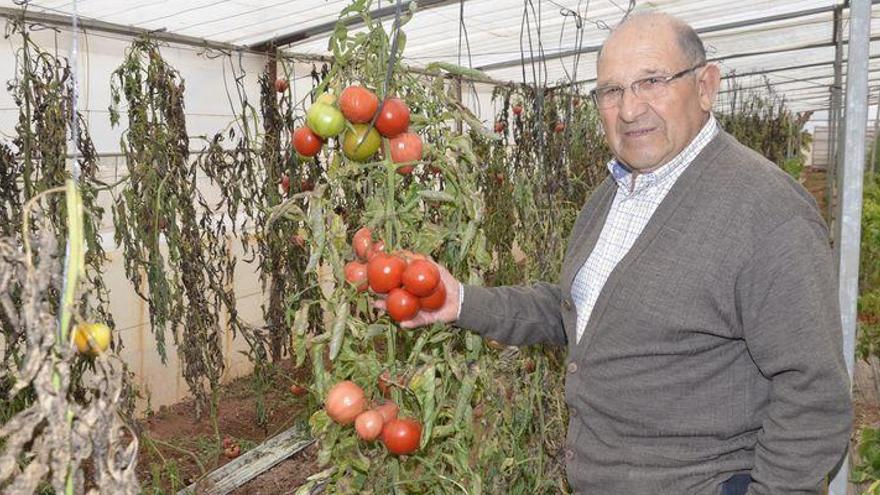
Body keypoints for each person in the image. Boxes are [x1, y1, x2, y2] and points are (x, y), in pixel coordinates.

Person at [380, 11, 852, 495]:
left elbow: (813, 395)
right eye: (611, 91)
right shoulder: (614, 193)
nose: (629, 110)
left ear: (706, 86)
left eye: (652, 81)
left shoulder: (766, 211)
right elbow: (577, 308)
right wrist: (459, 301)